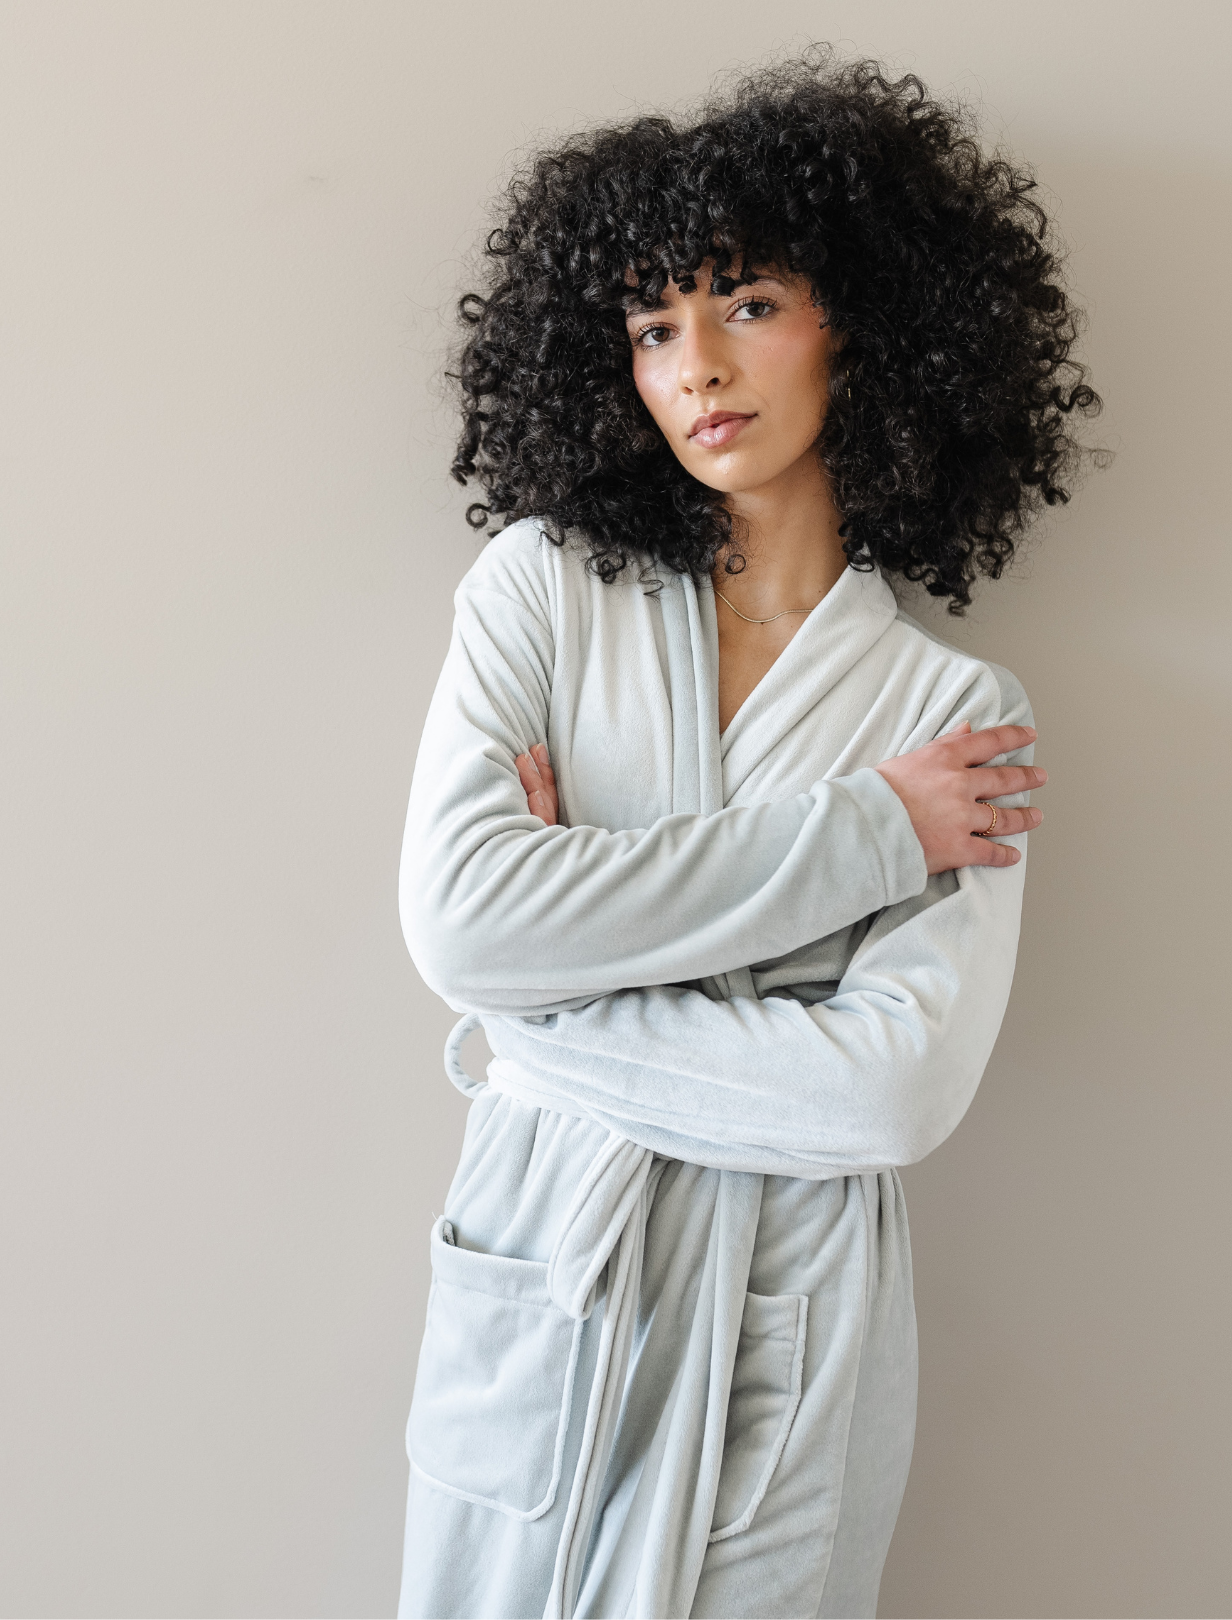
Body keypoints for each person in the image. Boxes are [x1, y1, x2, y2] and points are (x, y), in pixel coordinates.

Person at [395, 51, 1099, 1620]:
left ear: (864, 318)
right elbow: (461, 923)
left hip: (787, 1327)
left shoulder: (955, 706)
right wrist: (870, 833)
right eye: (653, 329)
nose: (697, 365)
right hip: (545, 1278)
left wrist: (546, 1001)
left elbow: (892, 1093)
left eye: (747, 304)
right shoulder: (543, 591)